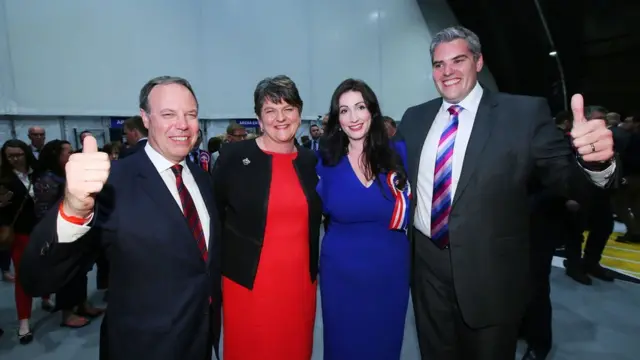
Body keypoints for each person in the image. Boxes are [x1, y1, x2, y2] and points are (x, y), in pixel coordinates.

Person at [396, 26, 615, 360]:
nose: (448, 71)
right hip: (427, 272)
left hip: (491, 277)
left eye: (458, 60)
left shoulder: (523, 115)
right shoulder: (415, 118)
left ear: (479, 61)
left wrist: (597, 164)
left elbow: (571, 183)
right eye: (439, 64)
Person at [19, 76, 222, 360]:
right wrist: (74, 211)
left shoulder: (201, 179)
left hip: (201, 340)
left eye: (190, 114)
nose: (183, 124)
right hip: (142, 348)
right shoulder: (113, 182)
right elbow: (37, 279)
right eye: (168, 114)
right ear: (145, 119)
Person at [213, 75, 321, 360]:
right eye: (270, 110)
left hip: (300, 283)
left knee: (294, 349)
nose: (280, 118)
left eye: (288, 108)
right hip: (248, 283)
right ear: (259, 119)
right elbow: (215, 214)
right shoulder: (234, 157)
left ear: (300, 112)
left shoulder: (311, 161)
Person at [317, 78, 411, 359]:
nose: (353, 117)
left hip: (390, 270)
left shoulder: (401, 155)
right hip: (340, 274)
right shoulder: (324, 160)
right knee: (342, 344)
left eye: (360, 107)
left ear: (373, 111)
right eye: (344, 110)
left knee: (384, 342)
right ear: (337, 118)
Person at [0, 139, 54, 344]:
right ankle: (24, 321)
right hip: (20, 233)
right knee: (23, 277)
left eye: (18, 154)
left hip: (44, 230)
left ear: (26, 153)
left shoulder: (38, 172)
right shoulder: (3, 179)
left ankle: (47, 297)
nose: (14, 159)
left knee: (46, 268)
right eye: (10, 155)